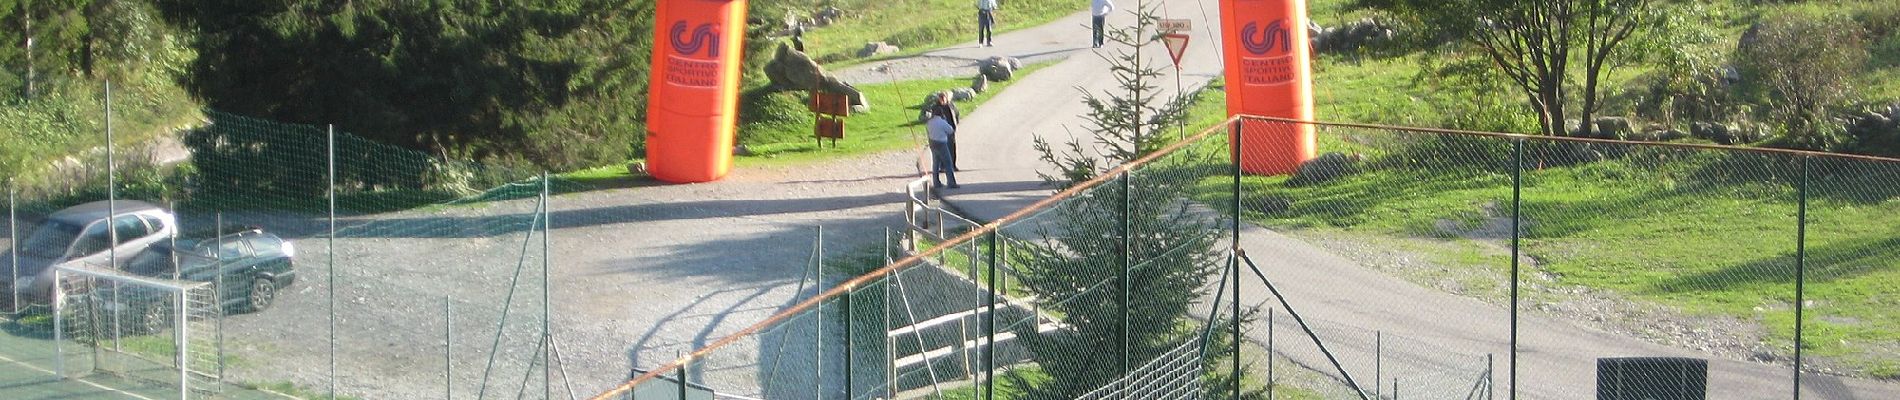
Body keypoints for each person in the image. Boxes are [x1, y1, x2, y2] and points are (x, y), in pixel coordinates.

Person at [926, 113, 960, 189]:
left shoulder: (929, 122)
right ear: (941, 114)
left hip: (932, 143)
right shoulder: (942, 122)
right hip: (942, 143)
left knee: (935, 164)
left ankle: (936, 182)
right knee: (948, 163)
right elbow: (950, 130)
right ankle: (951, 182)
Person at [933, 94, 962, 170]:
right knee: (942, 149)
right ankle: (943, 166)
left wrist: (955, 125)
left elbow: (956, 114)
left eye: (943, 98)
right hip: (941, 131)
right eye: (940, 99)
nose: (942, 100)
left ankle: (953, 165)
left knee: (952, 148)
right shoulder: (936, 108)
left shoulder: (951, 106)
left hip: (950, 130)